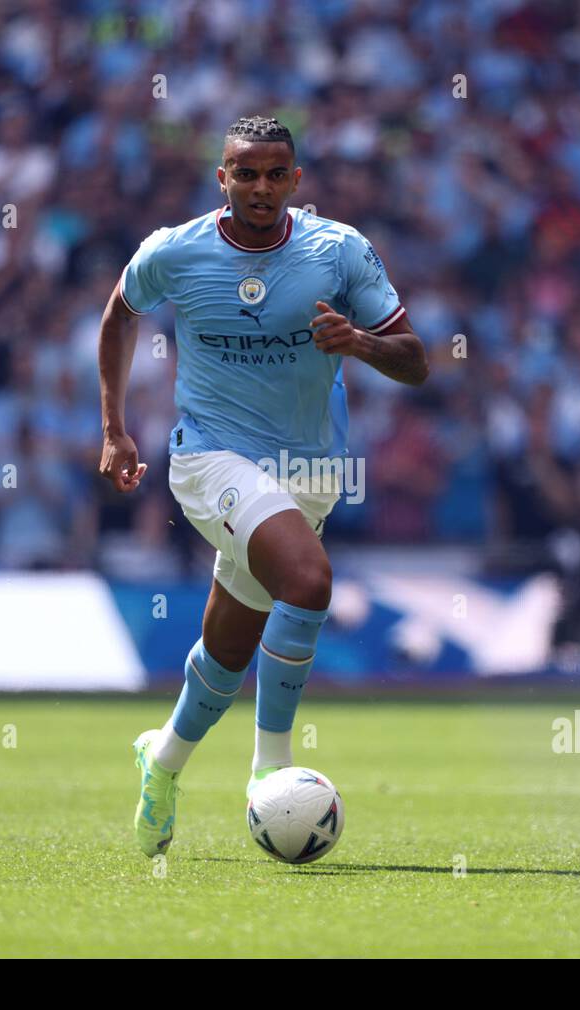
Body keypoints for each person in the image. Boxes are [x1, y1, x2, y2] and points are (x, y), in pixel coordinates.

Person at [97, 116, 428, 856]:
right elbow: (119, 314)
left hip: (308, 474)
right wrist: (116, 428)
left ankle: (164, 760)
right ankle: (269, 773)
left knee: (230, 645)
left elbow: (416, 360)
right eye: (245, 173)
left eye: (276, 174)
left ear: (296, 181)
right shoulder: (176, 251)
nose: (260, 187)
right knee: (306, 583)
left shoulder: (338, 251)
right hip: (209, 459)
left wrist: (361, 343)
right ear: (222, 178)